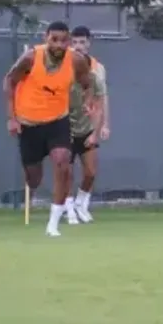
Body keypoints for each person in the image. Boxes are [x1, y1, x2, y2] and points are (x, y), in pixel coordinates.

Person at [3, 22, 96, 238]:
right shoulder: (30, 58)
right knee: (33, 178)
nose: (59, 45)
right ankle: (34, 185)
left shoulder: (76, 60)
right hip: (29, 124)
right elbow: (9, 81)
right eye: (54, 40)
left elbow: (88, 82)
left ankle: (53, 224)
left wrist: (87, 100)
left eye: (63, 40)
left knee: (63, 161)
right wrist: (11, 118)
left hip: (57, 121)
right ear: (46, 38)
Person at [65, 26, 108, 225]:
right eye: (74, 42)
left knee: (90, 172)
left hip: (87, 127)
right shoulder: (62, 69)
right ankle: (68, 209)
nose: (78, 46)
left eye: (82, 42)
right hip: (65, 128)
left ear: (89, 43)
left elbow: (101, 100)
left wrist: (102, 126)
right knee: (66, 172)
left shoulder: (96, 71)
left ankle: (81, 204)